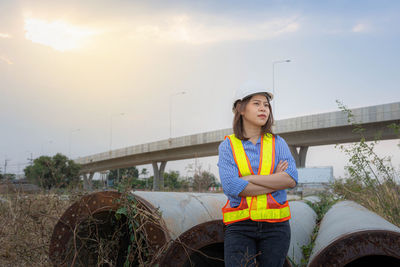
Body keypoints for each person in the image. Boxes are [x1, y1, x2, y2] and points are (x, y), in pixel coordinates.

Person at [218, 84, 298, 267]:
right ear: (241, 109)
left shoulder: (278, 142)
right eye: (256, 103)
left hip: (276, 227)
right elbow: (231, 187)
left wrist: (248, 179)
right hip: (240, 227)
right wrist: (275, 180)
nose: (264, 108)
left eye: (266, 105)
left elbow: (291, 179)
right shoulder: (228, 146)